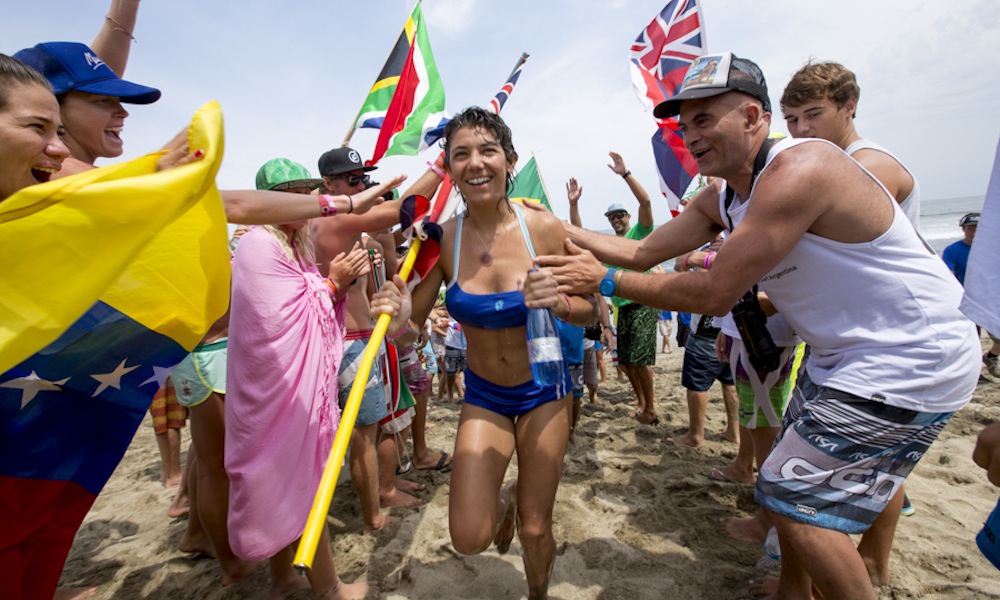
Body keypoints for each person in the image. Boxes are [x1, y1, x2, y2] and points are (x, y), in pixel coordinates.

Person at [536, 52, 979, 600]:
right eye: (684, 125)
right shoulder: (724, 194)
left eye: (704, 120)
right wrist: (548, 223)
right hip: (840, 355)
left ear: (752, 118)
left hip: (911, 354)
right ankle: (795, 590)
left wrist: (603, 281)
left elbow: (715, 290)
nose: (690, 136)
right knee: (781, 480)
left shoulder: (799, 168)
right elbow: (645, 251)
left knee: (794, 496)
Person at [370, 107, 598, 599]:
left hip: (545, 390)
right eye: (461, 154)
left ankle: (537, 592)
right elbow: (410, 332)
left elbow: (593, 311)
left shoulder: (542, 226)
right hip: (485, 396)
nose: (475, 163)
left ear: (508, 159)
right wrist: (395, 316)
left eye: (487, 150)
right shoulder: (443, 242)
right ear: (449, 170)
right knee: (469, 538)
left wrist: (560, 301)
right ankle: (506, 496)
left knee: (536, 530)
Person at [224, 158, 373, 599]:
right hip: (273, 392)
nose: (310, 201)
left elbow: (307, 305)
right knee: (300, 482)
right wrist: (334, 284)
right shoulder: (258, 245)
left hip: (285, 389)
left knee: (283, 482)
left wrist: (337, 284)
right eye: (298, 193)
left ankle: (283, 579)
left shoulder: (292, 245)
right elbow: (275, 318)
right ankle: (328, 590)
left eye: (311, 191)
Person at [601, 152, 658, 424]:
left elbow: (645, 201)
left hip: (642, 304)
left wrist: (625, 174)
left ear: (627, 216)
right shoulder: (611, 247)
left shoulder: (639, 233)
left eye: (620, 215)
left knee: (639, 360)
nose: (616, 220)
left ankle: (651, 407)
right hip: (622, 309)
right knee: (626, 361)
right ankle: (642, 401)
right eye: (612, 217)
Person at [943, 212, 1000, 377]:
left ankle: (991, 357)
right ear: (963, 229)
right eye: (970, 228)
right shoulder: (953, 250)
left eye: (978, 228)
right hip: (966, 301)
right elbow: (948, 275)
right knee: (972, 341)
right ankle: (973, 374)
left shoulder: (991, 249)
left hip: (990, 300)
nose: (974, 232)